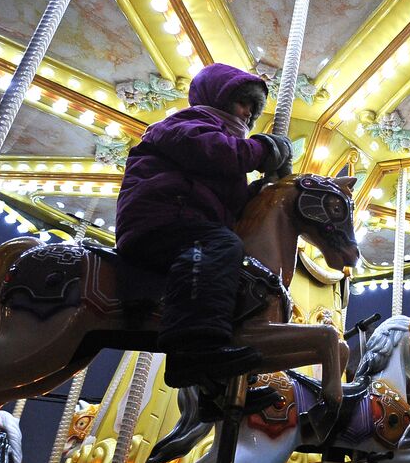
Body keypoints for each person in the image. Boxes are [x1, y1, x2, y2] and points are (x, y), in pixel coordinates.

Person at [115, 63, 292, 388]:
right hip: (162, 216)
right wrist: (263, 149)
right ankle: (191, 351)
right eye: (243, 102)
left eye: (253, 109)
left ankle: (216, 390)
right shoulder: (189, 122)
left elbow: (233, 204)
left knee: (232, 265)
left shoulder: (221, 141)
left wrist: (264, 195)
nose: (248, 114)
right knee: (222, 246)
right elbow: (214, 152)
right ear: (220, 97)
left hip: (186, 218)